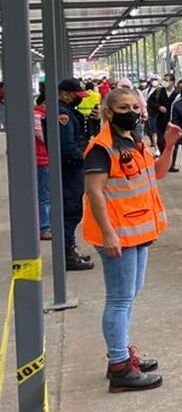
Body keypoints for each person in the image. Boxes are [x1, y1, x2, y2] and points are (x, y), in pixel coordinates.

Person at [83, 88, 180, 393]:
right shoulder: (102, 148)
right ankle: (120, 367)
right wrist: (109, 233)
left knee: (130, 294)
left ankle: (121, 352)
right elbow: (94, 192)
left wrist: (169, 146)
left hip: (138, 231)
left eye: (135, 106)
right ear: (109, 113)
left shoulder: (135, 141)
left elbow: (158, 174)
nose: (132, 111)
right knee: (119, 299)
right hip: (118, 236)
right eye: (124, 107)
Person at [58, 78, 95, 271]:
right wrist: (84, 158)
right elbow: (67, 145)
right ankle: (68, 255)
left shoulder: (68, 112)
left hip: (72, 167)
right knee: (70, 211)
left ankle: (70, 250)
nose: (79, 99)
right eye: (76, 96)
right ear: (65, 94)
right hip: (70, 168)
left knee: (72, 210)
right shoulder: (62, 115)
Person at [33, 94, 52, 240]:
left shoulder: (41, 115)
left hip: (45, 159)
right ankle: (44, 228)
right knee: (45, 196)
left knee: (46, 195)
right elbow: (45, 138)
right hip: (42, 160)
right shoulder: (38, 117)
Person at [147, 74, 174, 157]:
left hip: (173, 122)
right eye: (164, 80)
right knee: (160, 141)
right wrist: (158, 107)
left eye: (167, 80)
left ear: (172, 82)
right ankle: (163, 156)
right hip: (160, 121)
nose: (165, 82)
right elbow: (150, 102)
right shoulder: (159, 91)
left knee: (172, 143)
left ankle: (171, 163)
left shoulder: (177, 93)